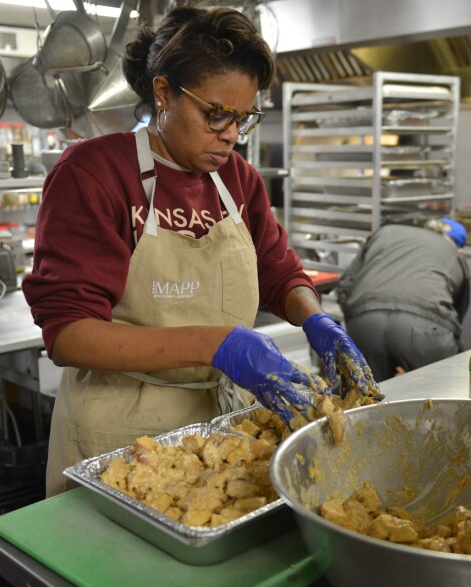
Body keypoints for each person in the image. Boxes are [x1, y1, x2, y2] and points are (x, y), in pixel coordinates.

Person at [22, 6, 377, 496]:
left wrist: (316, 318)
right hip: (120, 437)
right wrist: (219, 344)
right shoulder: (94, 173)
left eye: (242, 119)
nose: (230, 134)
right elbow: (70, 336)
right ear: (163, 93)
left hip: (216, 430)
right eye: (216, 114)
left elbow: (279, 271)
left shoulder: (237, 180)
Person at [334, 218, 470, 382]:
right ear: (460, 249)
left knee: (366, 398)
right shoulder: (453, 253)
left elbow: (344, 290)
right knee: (440, 394)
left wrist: (359, 324)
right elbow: (456, 316)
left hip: (365, 320)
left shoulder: (386, 232)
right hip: (425, 326)